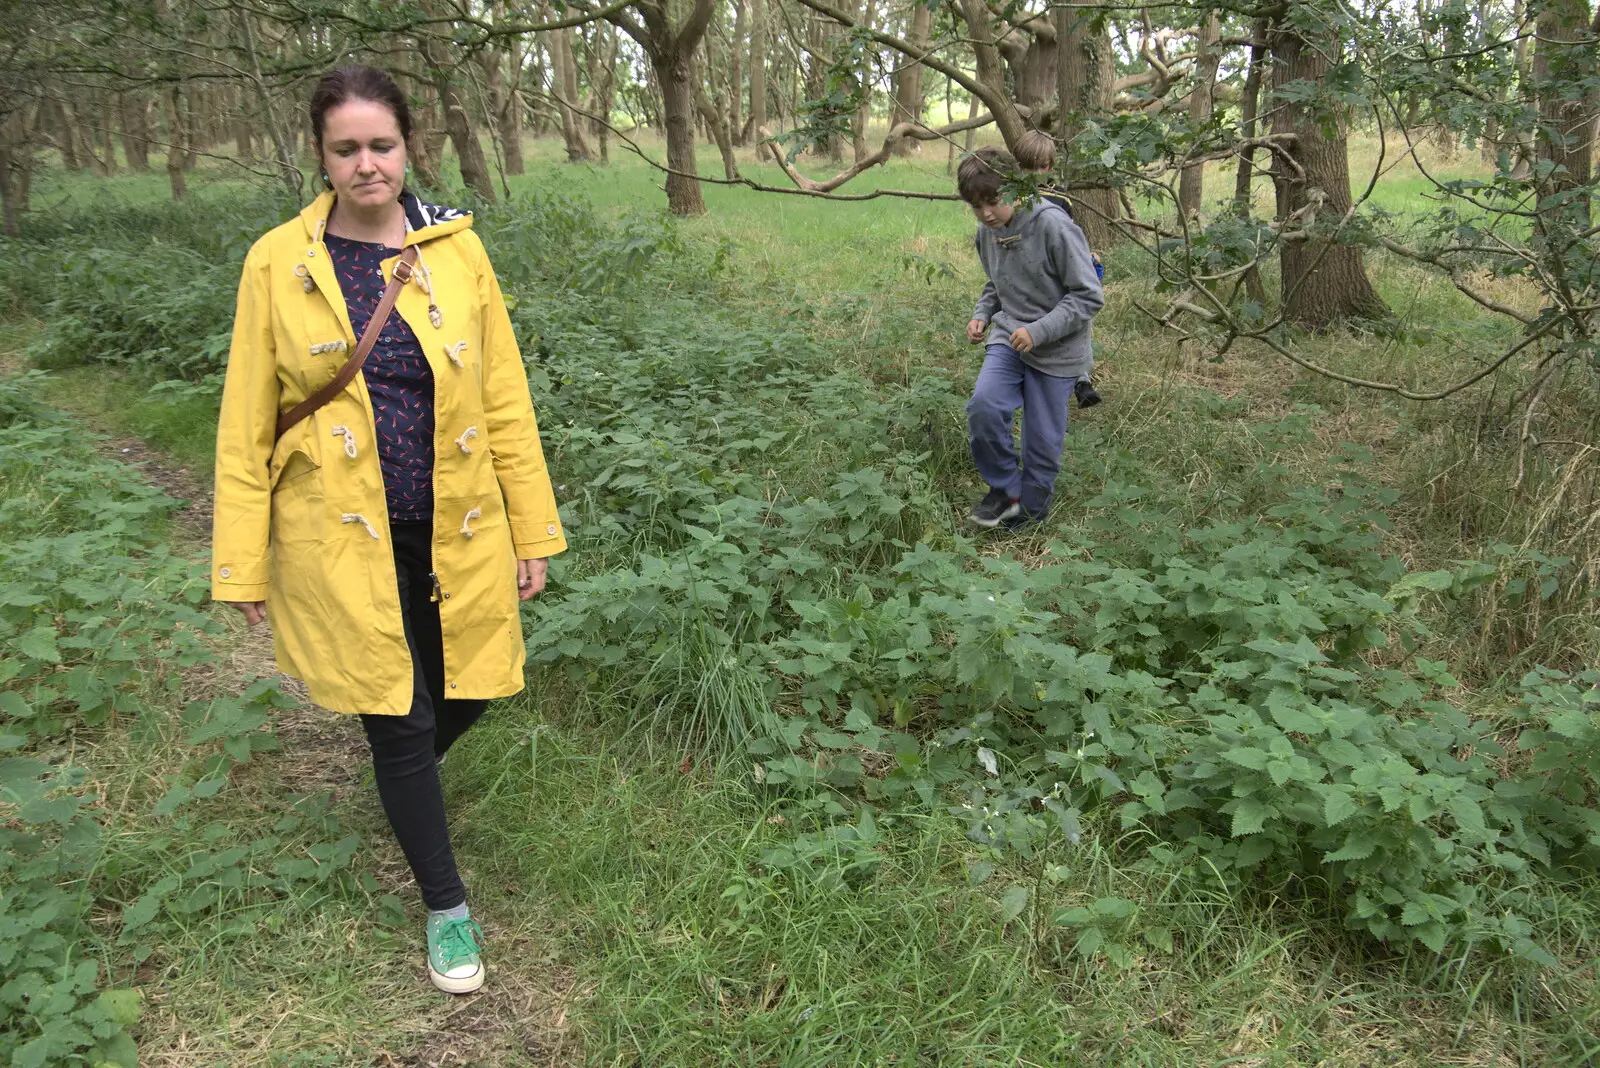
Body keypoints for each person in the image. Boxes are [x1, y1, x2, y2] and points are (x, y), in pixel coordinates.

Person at [211, 65, 566, 995]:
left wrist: (533, 530)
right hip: (336, 530)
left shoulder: (456, 252)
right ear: (320, 156)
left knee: (475, 684)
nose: (366, 164)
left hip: (458, 521)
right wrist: (241, 564)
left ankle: (399, 781)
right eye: (345, 148)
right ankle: (447, 906)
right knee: (399, 712)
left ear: (409, 147)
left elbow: (505, 400)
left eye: (381, 145)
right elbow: (246, 420)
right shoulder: (276, 263)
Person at [959, 146, 1105, 529]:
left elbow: (1089, 295)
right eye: (976, 207)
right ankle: (1005, 490)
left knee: (1041, 444)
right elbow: (997, 281)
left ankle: (1027, 520)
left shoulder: (1053, 225)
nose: (986, 214)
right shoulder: (986, 232)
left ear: (1017, 187)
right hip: (1010, 337)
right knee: (985, 407)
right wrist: (982, 315)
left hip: (1058, 348)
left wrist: (1039, 331)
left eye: (993, 202)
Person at [1013, 130, 1103, 408]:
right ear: (1019, 166)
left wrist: (1086, 255)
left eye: (1040, 167)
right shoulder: (1012, 196)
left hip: (1062, 266)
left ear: (1049, 167)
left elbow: (1070, 234)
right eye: (1028, 167)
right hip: (1030, 272)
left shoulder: (1061, 198)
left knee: (1080, 314)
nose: (1034, 174)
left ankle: (1082, 378)